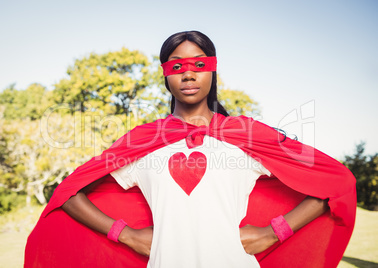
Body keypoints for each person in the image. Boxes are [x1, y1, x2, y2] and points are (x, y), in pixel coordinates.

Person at [25, 31, 356, 268]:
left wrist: (274, 232)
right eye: (176, 66)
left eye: (199, 64)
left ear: (213, 69)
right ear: (165, 76)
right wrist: (125, 235)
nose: (188, 74)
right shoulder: (143, 140)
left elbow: (336, 182)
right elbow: (68, 193)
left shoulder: (248, 135)